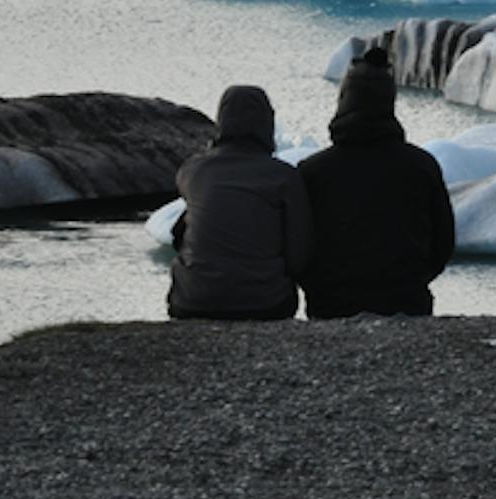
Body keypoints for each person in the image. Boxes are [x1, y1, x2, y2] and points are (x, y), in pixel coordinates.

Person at [297, 46, 456, 318]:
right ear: (390, 101)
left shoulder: (313, 171)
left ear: (344, 101)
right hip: (406, 302)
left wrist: (318, 285)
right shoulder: (420, 166)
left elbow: (297, 246)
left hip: (332, 305)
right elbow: (444, 242)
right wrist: (413, 280)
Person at [168, 85, 313, 321]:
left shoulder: (191, 171)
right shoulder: (283, 177)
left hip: (192, 302)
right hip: (267, 303)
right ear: (268, 123)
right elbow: (299, 257)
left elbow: (180, 237)